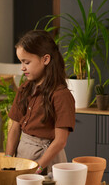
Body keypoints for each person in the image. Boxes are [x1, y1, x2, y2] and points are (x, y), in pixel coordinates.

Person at [5, 30, 75, 175]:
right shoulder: (24, 89)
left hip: (46, 160)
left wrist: (38, 168)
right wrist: (8, 160)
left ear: (46, 59)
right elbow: (15, 127)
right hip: (23, 156)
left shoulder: (61, 95)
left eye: (27, 62)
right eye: (21, 62)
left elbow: (60, 141)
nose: (22, 67)